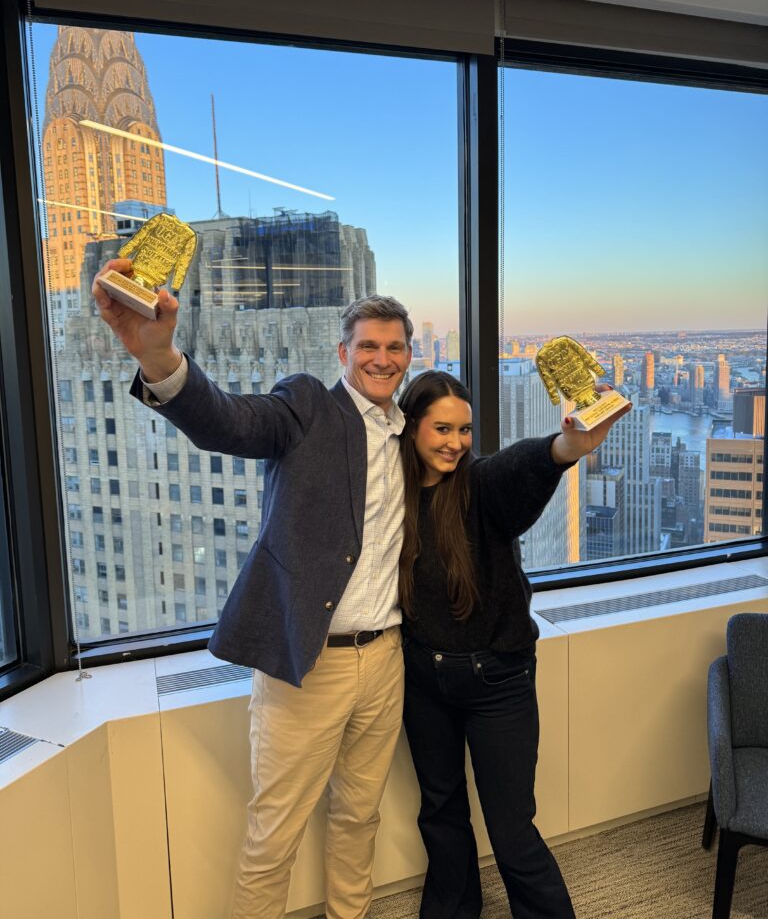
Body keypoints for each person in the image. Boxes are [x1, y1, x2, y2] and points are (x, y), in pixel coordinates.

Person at [92, 257, 414, 919]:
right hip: (307, 663)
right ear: (343, 353)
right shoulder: (306, 407)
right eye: (368, 347)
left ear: (410, 354)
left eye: (394, 347)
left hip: (386, 659)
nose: (381, 360)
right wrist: (160, 359)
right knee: (275, 837)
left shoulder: (408, 433)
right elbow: (227, 422)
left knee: (360, 816)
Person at [397, 369, 630, 919]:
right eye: (441, 429)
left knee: (510, 830)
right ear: (410, 429)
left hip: (497, 679)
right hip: (421, 678)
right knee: (440, 812)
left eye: (465, 430)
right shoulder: (392, 492)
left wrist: (568, 445)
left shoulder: (480, 485)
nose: (456, 442)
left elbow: (526, 464)